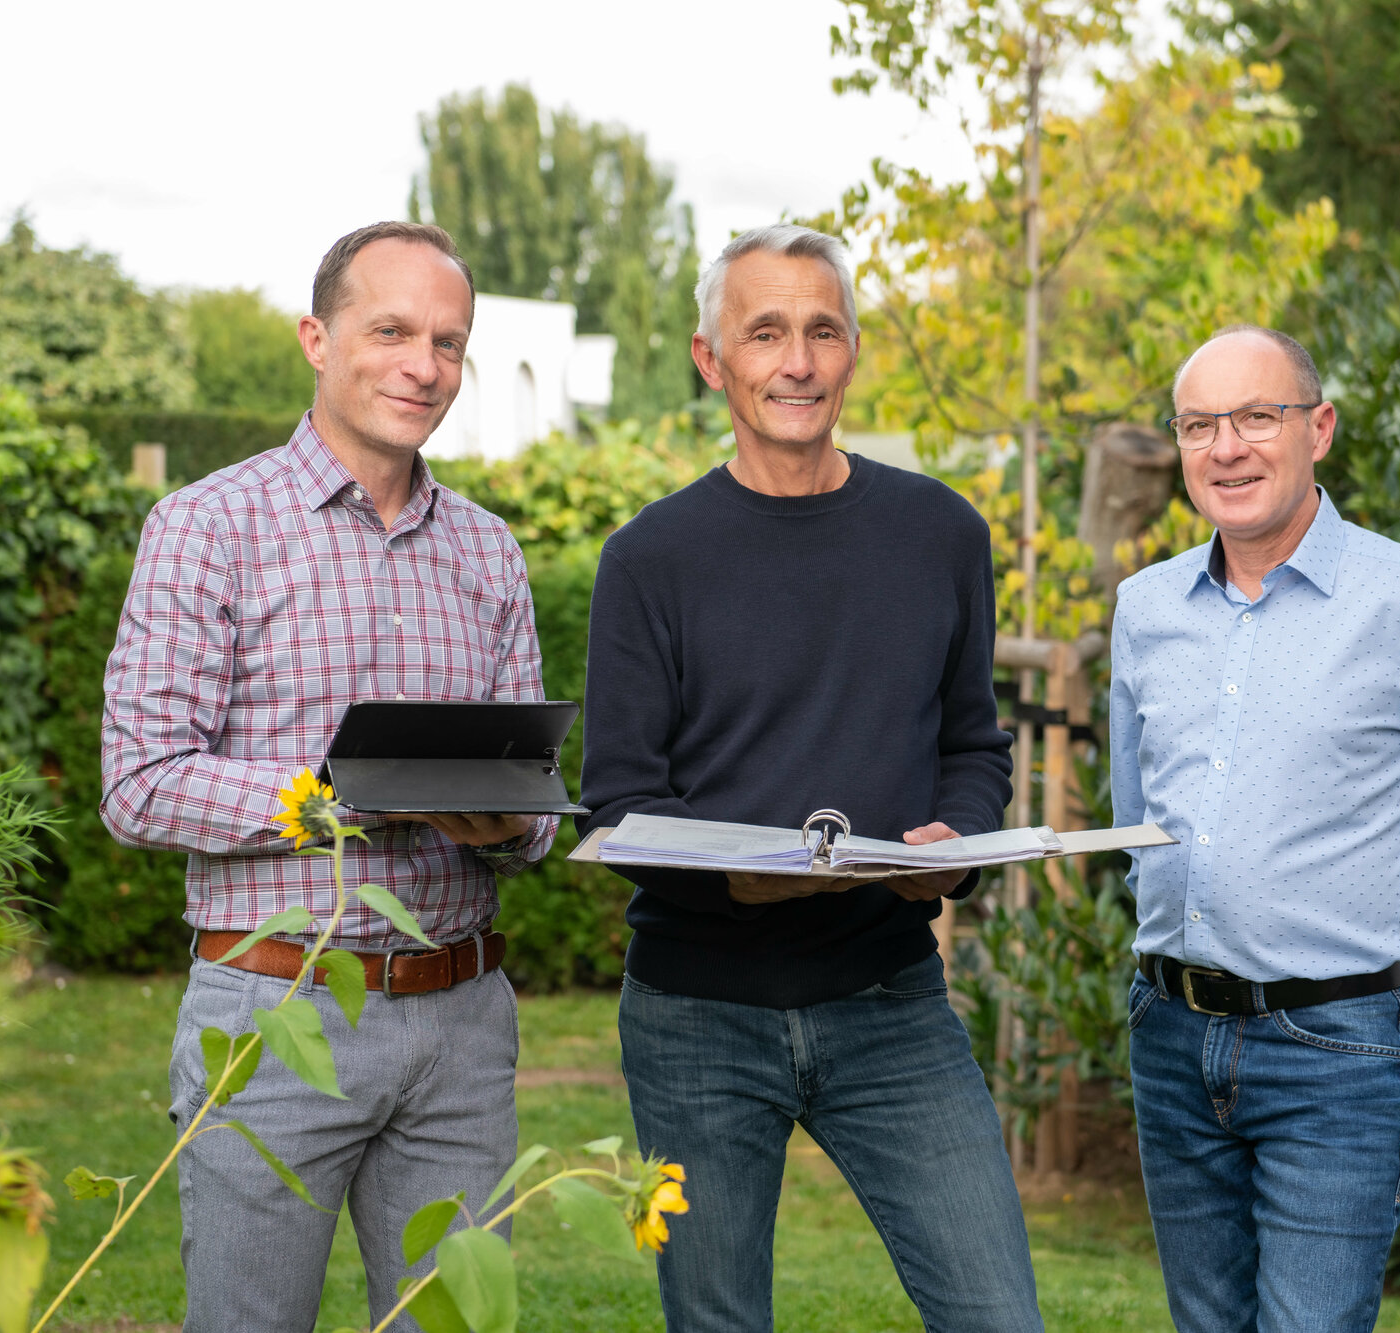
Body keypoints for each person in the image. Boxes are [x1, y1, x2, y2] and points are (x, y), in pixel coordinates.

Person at [579, 224, 1042, 1333]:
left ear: (851, 352)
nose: (796, 361)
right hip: (696, 1013)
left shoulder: (940, 532)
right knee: (717, 1321)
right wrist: (734, 884)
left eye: (821, 331)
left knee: (996, 1315)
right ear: (710, 359)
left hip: (887, 998)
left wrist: (951, 842)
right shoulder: (649, 559)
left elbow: (972, 745)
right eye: (766, 332)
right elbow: (619, 803)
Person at [100, 220, 554, 1333]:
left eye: (448, 343)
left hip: (461, 1021)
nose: (422, 365)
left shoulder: (490, 551)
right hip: (275, 1012)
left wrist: (501, 819)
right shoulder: (207, 525)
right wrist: (343, 798)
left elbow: (534, 816)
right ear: (317, 337)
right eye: (391, 330)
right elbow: (141, 781)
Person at [1108, 325, 1400, 1332]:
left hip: (1339, 1050)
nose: (1226, 447)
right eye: (1198, 424)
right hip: (1170, 1036)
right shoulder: (1145, 610)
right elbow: (1136, 822)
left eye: (1255, 416)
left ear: (1318, 428)